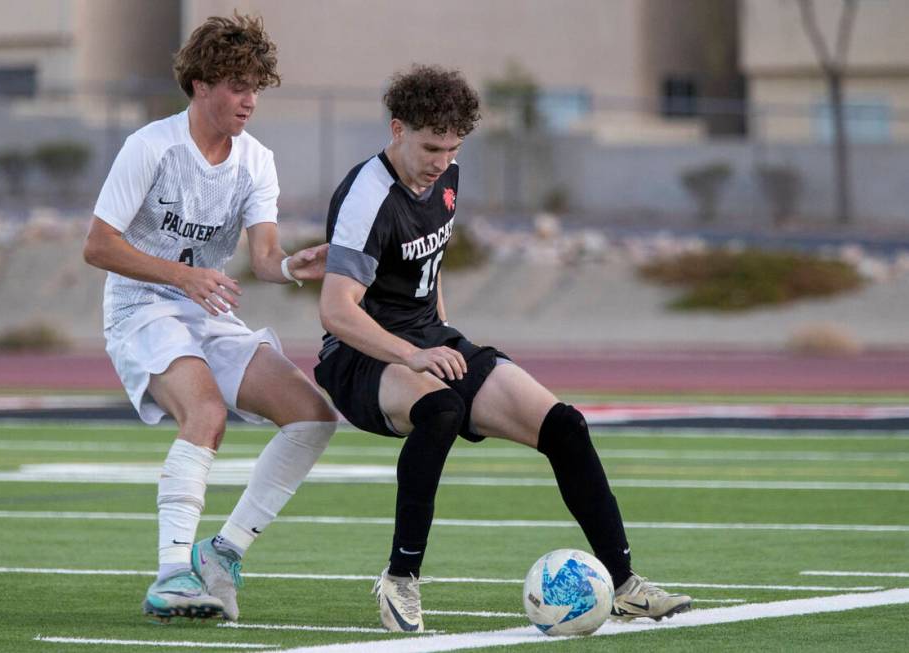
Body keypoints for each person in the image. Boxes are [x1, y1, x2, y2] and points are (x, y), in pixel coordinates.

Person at [314, 65, 692, 633]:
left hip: (427, 339)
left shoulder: (447, 173)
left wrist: (441, 331)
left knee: (565, 425)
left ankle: (625, 585)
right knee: (439, 410)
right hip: (360, 356)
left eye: (453, 147)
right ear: (396, 130)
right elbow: (336, 310)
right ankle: (400, 578)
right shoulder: (366, 195)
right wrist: (412, 355)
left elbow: (427, 262)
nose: (442, 159)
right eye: (430, 146)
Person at [84, 13, 337, 622]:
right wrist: (183, 275)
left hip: (207, 311)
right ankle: (172, 575)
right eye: (237, 85)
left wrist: (296, 265)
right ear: (201, 85)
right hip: (141, 308)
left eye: (256, 86)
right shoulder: (150, 147)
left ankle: (222, 553)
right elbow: (97, 245)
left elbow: (264, 258)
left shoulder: (257, 161)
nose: (250, 99)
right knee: (206, 412)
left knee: (313, 417)